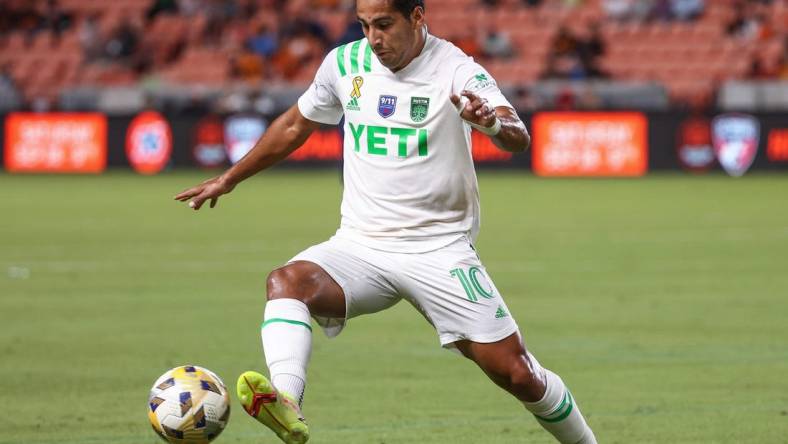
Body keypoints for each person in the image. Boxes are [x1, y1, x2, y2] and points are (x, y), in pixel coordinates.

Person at [174, 1, 598, 443]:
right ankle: (286, 402)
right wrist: (230, 178)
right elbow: (296, 125)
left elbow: (517, 134)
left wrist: (490, 123)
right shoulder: (345, 63)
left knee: (518, 374)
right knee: (286, 282)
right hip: (360, 245)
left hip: (439, 250)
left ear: (417, 17)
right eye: (364, 25)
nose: (373, 38)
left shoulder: (455, 68)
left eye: (384, 24)